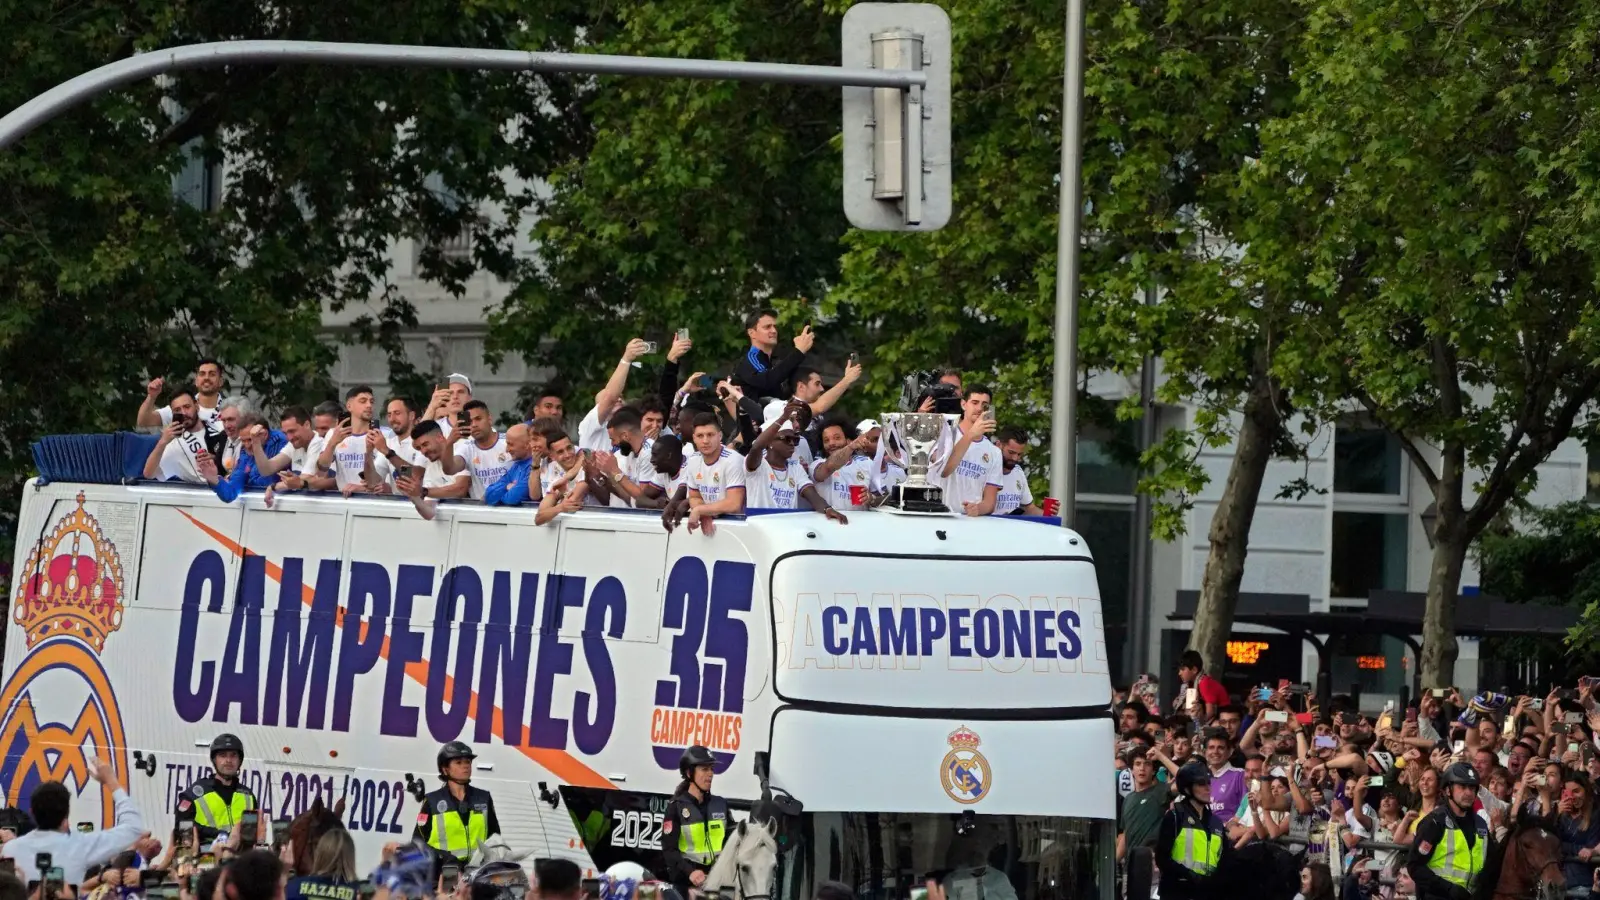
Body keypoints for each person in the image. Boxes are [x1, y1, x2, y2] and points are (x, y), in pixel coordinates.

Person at [0, 756, 144, 889]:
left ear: (32, 811)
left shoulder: (11, 850)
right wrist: (111, 780)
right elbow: (133, 828)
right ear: (66, 814)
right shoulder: (80, 845)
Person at [1406, 763, 1490, 900]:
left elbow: (1490, 863)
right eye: (1462, 787)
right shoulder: (1434, 823)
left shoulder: (1481, 824)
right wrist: (1449, 889)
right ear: (1447, 790)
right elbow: (1415, 866)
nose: (1468, 793)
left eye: (1472, 787)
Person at [414, 742, 501, 869]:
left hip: (477, 873)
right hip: (443, 873)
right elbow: (417, 843)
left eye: (468, 762)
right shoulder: (432, 801)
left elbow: (495, 838)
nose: (465, 766)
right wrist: (443, 857)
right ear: (445, 769)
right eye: (459, 763)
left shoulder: (484, 798)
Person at [660, 746, 729, 898]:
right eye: (704, 769)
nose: (710, 774)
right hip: (686, 886)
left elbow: (733, 840)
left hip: (715, 886)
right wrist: (690, 872)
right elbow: (669, 850)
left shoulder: (720, 805)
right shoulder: (676, 807)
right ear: (689, 773)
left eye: (711, 769)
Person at [1155, 762, 1225, 900]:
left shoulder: (1217, 823)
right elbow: (1162, 858)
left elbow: (1224, 859)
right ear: (1187, 789)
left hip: (1207, 893)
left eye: (1208, 783)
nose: (1208, 788)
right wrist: (1189, 875)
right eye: (1201, 784)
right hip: (1177, 892)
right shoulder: (1174, 817)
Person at [176, 734, 259, 846]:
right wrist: (219, 834)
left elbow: (252, 834)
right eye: (223, 755)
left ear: (240, 761)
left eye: (233, 755)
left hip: (238, 859)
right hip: (205, 858)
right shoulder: (194, 794)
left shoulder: (248, 796)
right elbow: (182, 826)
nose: (228, 760)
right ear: (214, 760)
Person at [731, 309, 813, 400]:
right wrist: (798, 352)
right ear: (751, 333)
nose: (774, 331)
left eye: (775, 326)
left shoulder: (773, 360)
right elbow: (767, 381)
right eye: (767, 327)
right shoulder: (751, 359)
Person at [284, 827, 357, 900]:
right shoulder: (359, 892)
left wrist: (283, 873)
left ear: (320, 854)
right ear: (350, 858)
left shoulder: (293, 887)